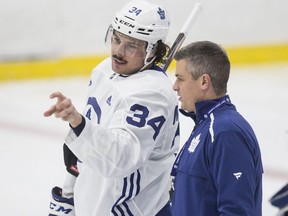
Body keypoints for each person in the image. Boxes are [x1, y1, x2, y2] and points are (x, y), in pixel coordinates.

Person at [44, 0, 180, 215]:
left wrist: (79, 124)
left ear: (153, 51)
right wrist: (67, 195)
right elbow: (88, 149)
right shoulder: (104, 70)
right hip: (96, 203)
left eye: (131, 46)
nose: (118, 51)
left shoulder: (152, 95)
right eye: (116, 39)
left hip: (130, 209)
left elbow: (119, 160)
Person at [170, 41, 263, 215]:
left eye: (180, 78)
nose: (175, 86)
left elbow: (236, 212)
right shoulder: (207, 126)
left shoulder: (226, 133)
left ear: (204, 81)